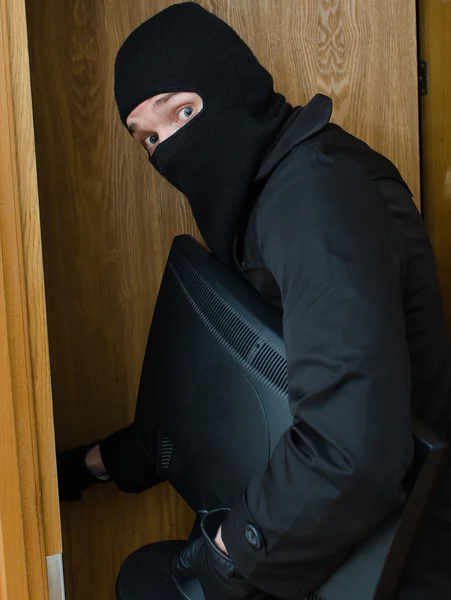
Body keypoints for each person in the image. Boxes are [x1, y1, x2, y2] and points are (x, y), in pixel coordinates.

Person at [57, 3, 451, 600]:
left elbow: (353, 449)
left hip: (395, 562)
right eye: (150, 140)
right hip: (334, 541)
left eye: (183, 113)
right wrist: (96, 463)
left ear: (228, 86)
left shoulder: (314, 196)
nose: (169, 150)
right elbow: (232, 368)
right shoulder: (260, 198)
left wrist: (223, 558)